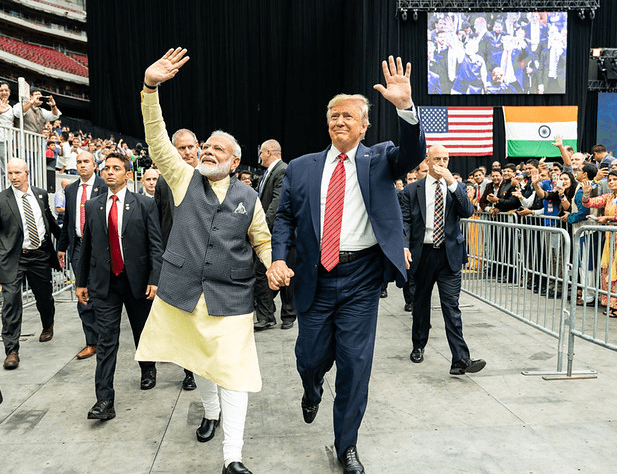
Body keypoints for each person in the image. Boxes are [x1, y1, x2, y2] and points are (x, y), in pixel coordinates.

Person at [267, 55, 426, 474]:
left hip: (361, 278)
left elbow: (413, 151)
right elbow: (283, 217)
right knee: (309, 355)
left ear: (364, 125)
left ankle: (346, 446)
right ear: (328, 123)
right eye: (334, 116)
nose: (340, 121)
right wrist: (279, 258)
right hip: (315, 277)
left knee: (355, 366)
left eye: (349, 116)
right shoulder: (301, 168)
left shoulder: (382, 159)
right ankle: (311, 385)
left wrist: (406, 108)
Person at [137, 48, 272, 474]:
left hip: (231, 298)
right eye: (205, 147)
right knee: (199, 361)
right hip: (182, 292)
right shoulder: (182, 178)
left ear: (234, 161)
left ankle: (232, 456)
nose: (208, 152)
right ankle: (208, 411)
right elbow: (157, 138)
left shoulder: (249, 198)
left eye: (218, 149)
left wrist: (273, 264)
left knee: (232, 371)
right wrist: (151, 87)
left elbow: (262, 240)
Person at [75, 153, 162, 420]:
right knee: (106, 340)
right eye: (106, 168)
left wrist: (155, 278)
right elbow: (86, 246)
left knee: (141, 330)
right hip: (105, 284)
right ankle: (104, 401)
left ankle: (148, 368)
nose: (110, 172)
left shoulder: (145, 204)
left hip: (136, 281)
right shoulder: (93, 206)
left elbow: (156, 245)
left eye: (116, 168)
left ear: (127, 174)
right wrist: (81, 282)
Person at [400, 144, 485, 376]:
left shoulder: (455, 188)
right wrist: (404, 247)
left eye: (446, 159)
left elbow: (467, 211)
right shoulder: (411, 190)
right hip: (423, 254)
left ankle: (460, 360)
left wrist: (452, 183)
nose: (441, 163)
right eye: (437, 158)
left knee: (452, 307)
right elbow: (405, 223)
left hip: (449, 256)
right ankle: (418, 344)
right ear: (427, 161)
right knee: (420, 304)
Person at [0, 158, 61, 370]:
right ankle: (11, 350)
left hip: (40, 255)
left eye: (17, 172)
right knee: (10, 303)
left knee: (44, 296)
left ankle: (48, 324)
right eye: (10, 173)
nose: (14, 177)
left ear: (27, 173)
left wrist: (64, 244)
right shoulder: (2, 200)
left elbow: (50, 222)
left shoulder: (41, 194)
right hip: (13, 259)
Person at [152, 128, 199, 391]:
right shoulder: (163, 182)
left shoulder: (209, 175)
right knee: (182, 319)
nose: (188, 152)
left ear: (198, 147)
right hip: (176, 261)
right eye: (181, 148)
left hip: (204, 259)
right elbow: (159, 224)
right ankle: (189, 370)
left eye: (191, 147)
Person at [57, 151, 107, 360]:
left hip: (102, 247)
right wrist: (61, 247)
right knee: (82, 292)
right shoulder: (70, 190)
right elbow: (68, 219)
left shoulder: (104, 186)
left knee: (105, 292)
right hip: (79, 247)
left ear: (94, 165)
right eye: (78, 162)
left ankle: (107, 337)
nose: (82, 165)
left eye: (86, 161)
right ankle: (92, 341)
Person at [254, 139, 296, 331]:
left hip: (279, 235)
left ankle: (287, 315)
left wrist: (261, 229)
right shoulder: (270, 172)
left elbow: (276, 205)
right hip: (270, 234)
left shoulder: (282, 170)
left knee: (284, 276)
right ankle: (267, 315)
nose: (259, 156)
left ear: (269, 152)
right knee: (264, 275)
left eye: (261, 152)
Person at [582, 172, 617, 317]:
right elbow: (589, 203)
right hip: (611, 239)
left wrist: (607, 218)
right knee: (608, 270)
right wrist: (585, 194)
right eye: (610, 180)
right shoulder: (609, 197)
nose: (611, 182)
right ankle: (612, 303)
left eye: (615, 179)